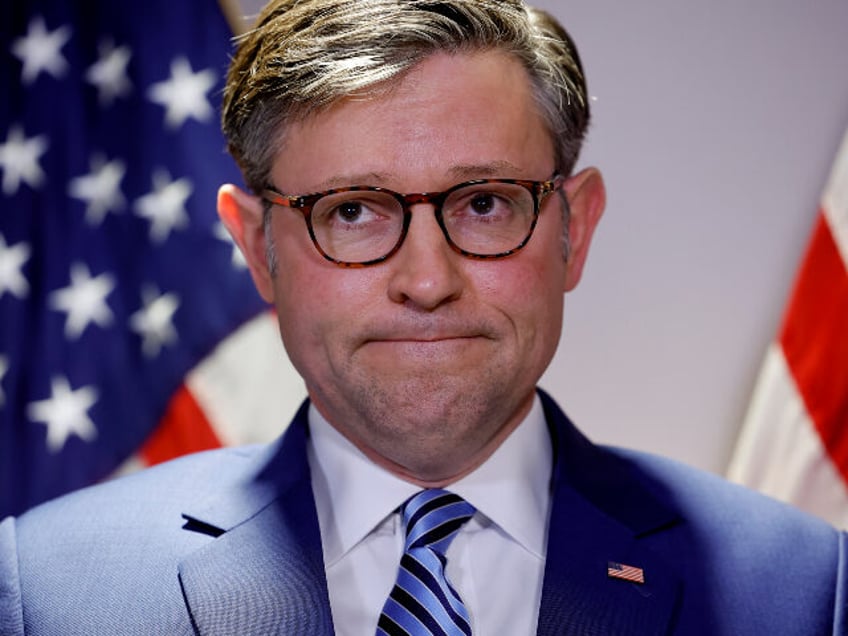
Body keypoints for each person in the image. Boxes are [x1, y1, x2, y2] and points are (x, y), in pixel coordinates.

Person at [1, 0, 845, 634]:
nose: (427, 280)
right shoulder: (48, 592)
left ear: (572, 230)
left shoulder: (804, 592)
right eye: (354, 212)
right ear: (258, 249)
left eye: (484, 202)